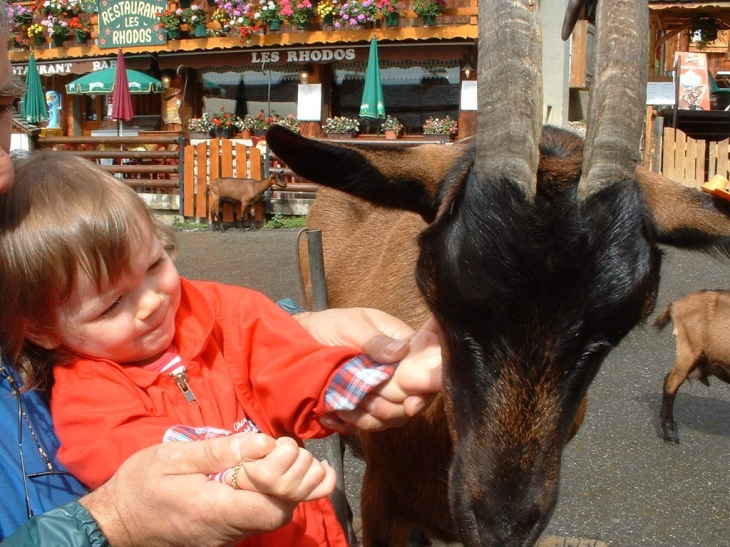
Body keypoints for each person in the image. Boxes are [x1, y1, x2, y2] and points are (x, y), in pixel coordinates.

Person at [0, 10, 440, 545]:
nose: (150, 302)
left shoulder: (218, 309)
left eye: (156, 265)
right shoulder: (88, 395)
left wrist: (371, 384)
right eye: (110, 305)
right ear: (44, 330)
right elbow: (149, 458)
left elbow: (289, 366)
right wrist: (237, 469)